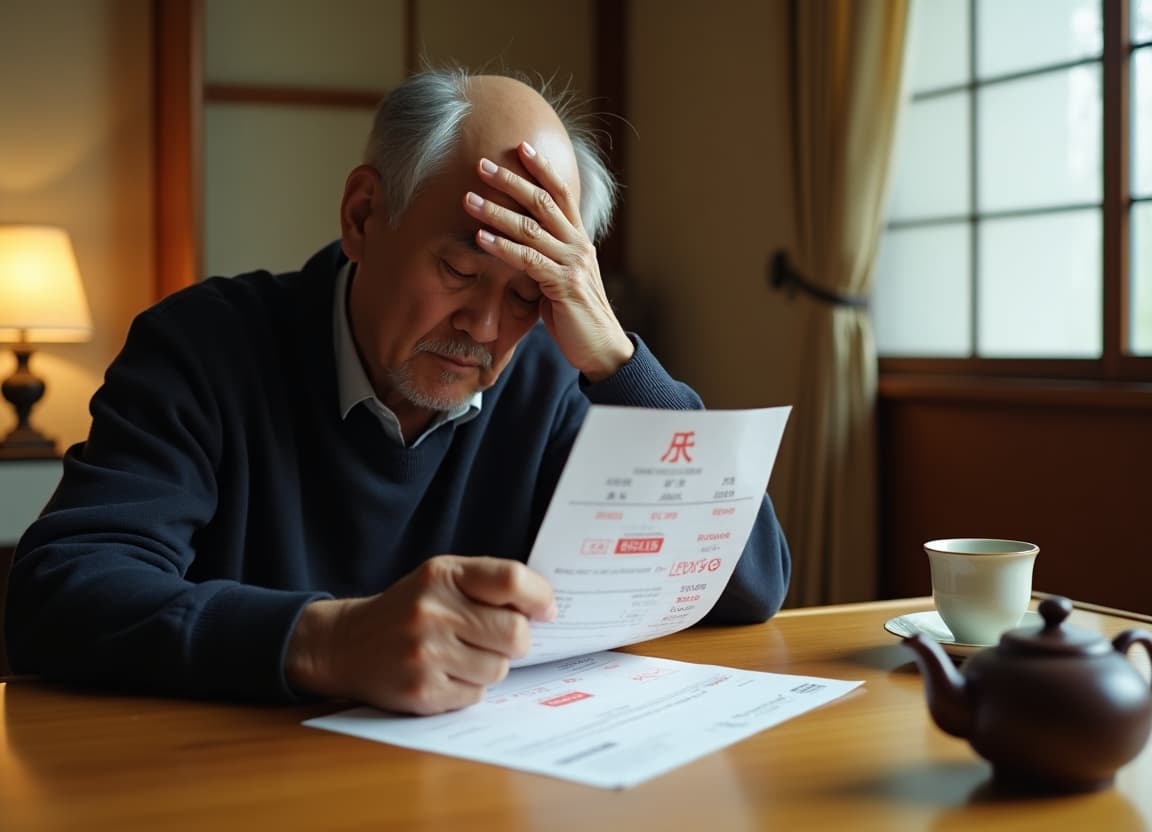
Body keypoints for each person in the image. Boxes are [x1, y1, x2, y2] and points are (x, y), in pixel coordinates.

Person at [5, 68, 790, 716]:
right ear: (362, 215)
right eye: (458, 271)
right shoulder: (206, 348)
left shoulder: (555, 380)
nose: (484, 326)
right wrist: (324, 640)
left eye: (528, 293)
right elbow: (59, 592)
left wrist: (619, 360)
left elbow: (747, 583)